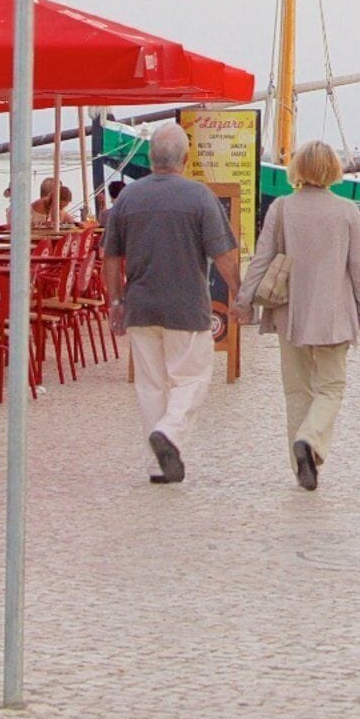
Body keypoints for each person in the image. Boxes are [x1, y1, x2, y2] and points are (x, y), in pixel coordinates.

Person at [101, 118, 237, 483]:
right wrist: (240, 293)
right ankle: (171, 433)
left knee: (151, 385)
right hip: (186, 306)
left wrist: (115, 303)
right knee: (192, 378)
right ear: (185, 157)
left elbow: (110, 257)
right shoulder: (199, 197)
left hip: (141, 305)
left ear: (149, 157)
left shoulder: (129, 197)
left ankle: (156, 465)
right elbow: (223, 254)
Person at [243, 138, 360, 490]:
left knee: (296, 391)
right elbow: (358, 269)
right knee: (331, 387)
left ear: (298, 169)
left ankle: (300, 463)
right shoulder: (348, 211)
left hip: (291, 313)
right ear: (333, 169)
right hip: (335, 314)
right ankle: (311, 440)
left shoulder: (282, 208)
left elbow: (262, 257)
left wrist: (244, 300)